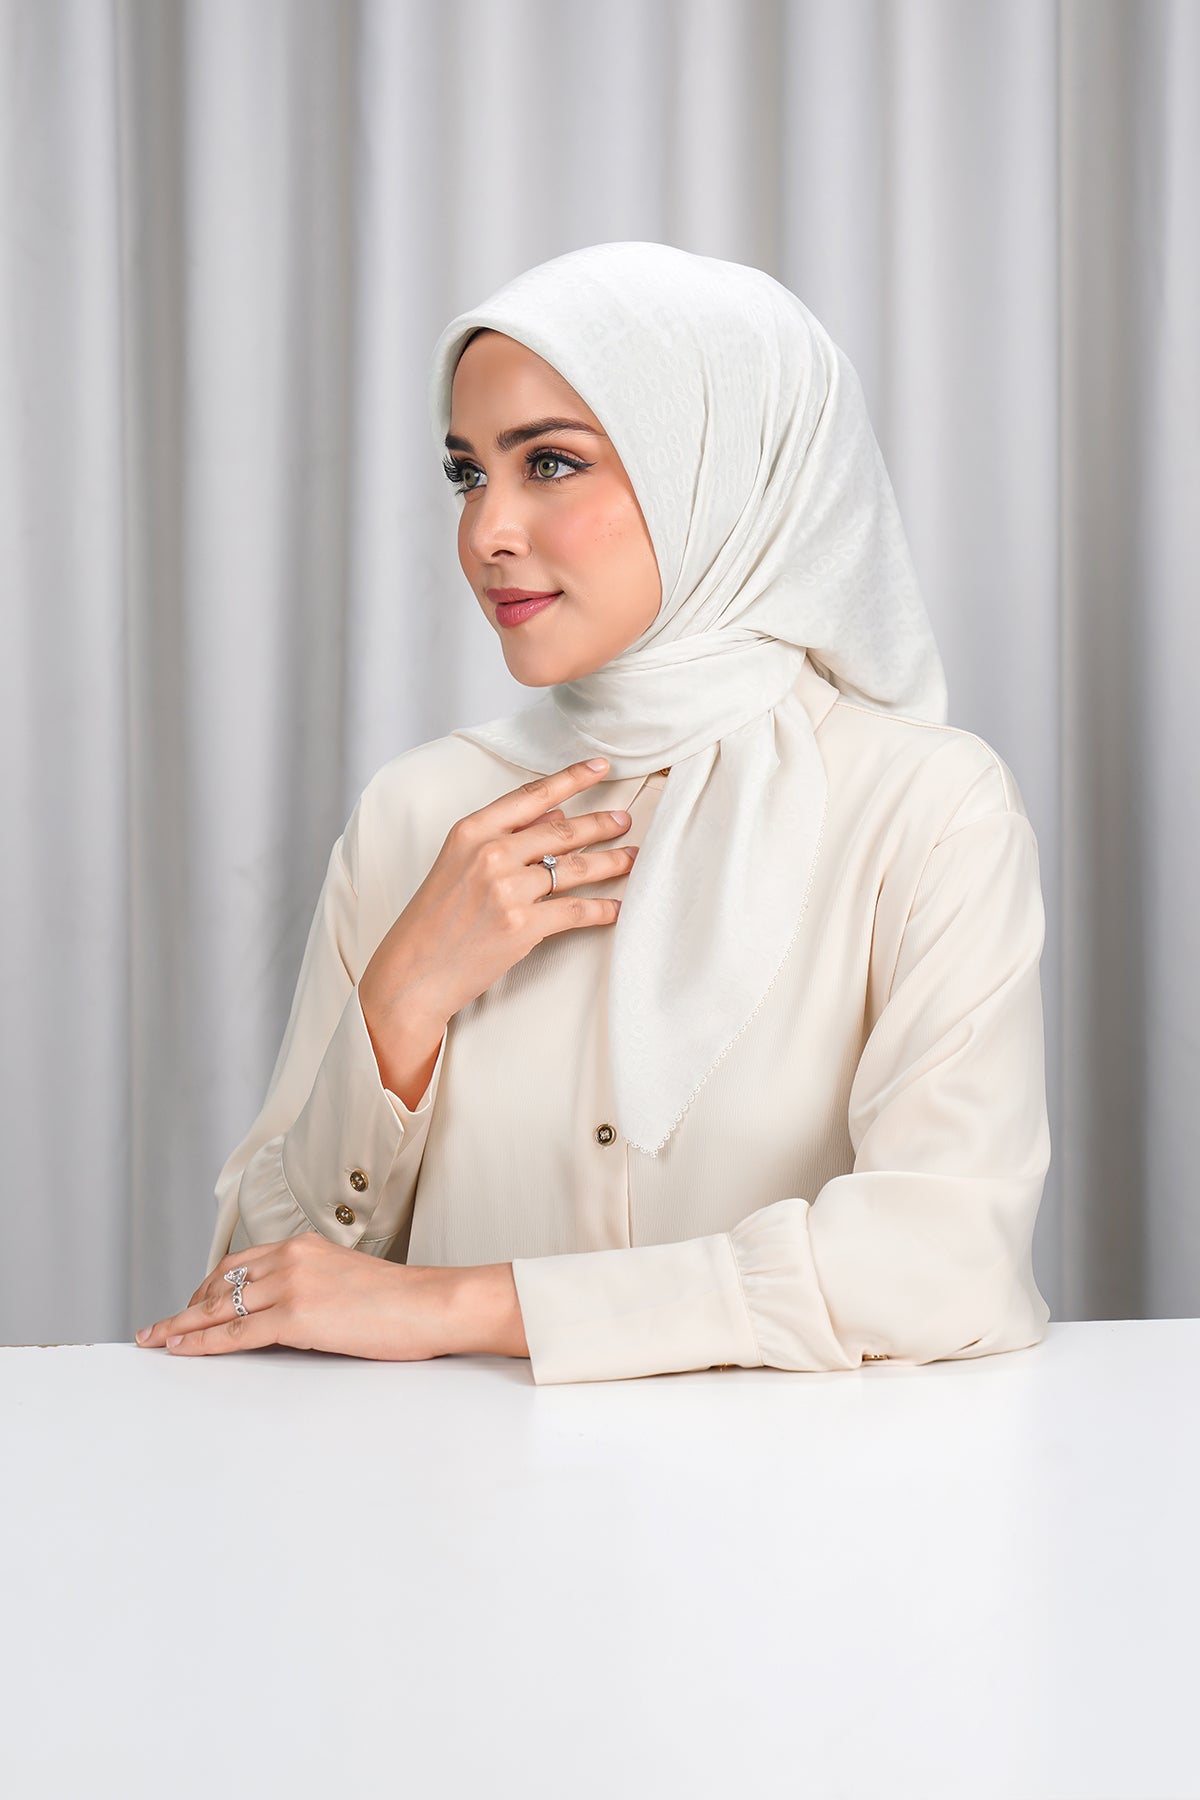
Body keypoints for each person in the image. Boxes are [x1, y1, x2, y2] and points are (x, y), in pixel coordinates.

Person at [135, 241, 1052, 1383]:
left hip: (800, 1495)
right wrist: (404, 998)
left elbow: (942, 1264)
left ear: (716, 465)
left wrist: (464, 1304)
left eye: (551, 464)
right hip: (449, 1491)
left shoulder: (923, 810)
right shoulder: (420, 815)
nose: (487, 533)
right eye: (468, 474)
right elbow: (259, 1286)